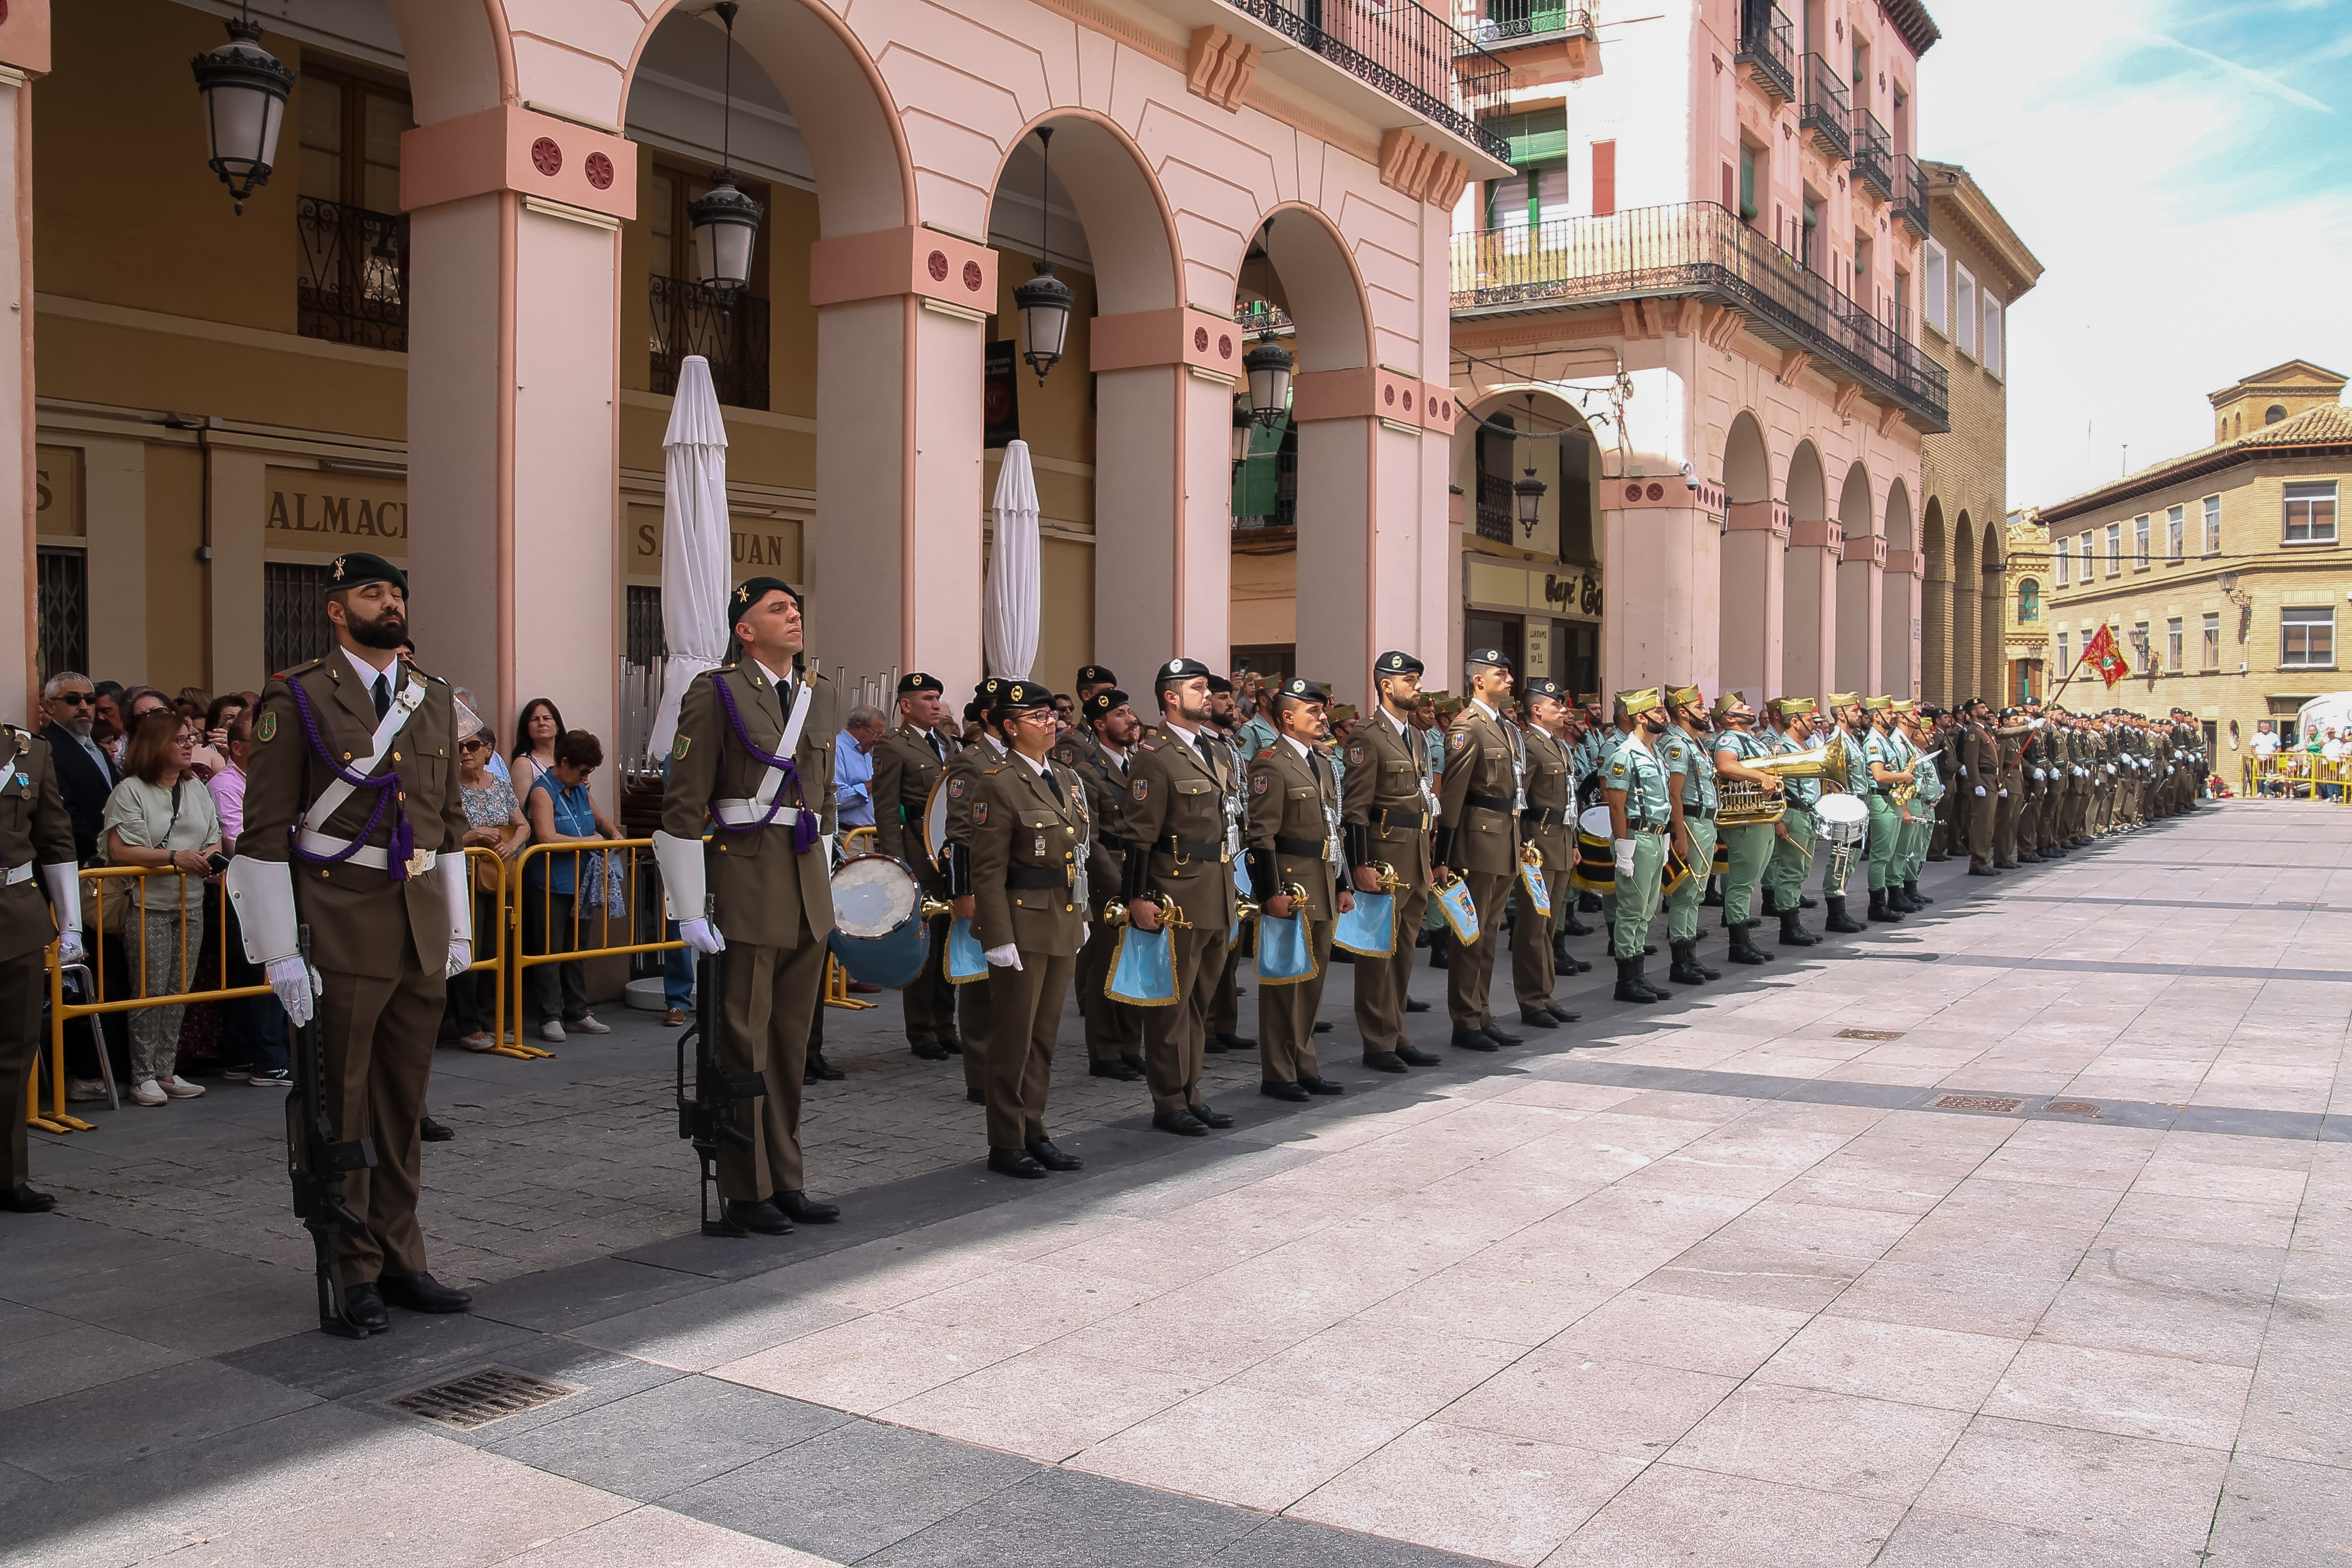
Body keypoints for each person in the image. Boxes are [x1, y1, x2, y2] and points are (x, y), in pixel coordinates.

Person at [228, 551, 475, 1331]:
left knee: (404, 1104)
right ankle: (352, 1264)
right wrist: (277, 949)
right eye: (372, 591)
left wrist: (459, 926)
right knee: (342, 1103)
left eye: (397, 590)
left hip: (418, 919)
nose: (390, 601)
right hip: (340, 922)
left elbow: (450, 825)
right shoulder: (297, 696)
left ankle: (403, 1255)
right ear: (336, 609)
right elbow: (264, 834)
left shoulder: (432, 697)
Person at [655, 576, 842, 1235]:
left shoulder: (821, 697)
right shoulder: (717, 692)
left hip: (804, 886)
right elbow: (681, 806)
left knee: (790, 1047)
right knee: (742, 1041)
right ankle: (746, 1184)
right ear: (745, 629)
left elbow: (822, 802)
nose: (794, 616)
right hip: (745, 881)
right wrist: (688, 908)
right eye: (777, 609)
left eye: (796, 607)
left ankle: (786, 1177)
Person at [968, 680, 1090, 1178]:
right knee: (1013, 1036)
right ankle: (1006, 1140)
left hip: (1061, 916)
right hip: (1021, 921)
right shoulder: (997, 782)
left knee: (1043, 1036)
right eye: (1037, 718)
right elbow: (988, 869)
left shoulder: (1067, 778)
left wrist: (1081, 914)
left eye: (1052, 716)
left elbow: (1077, 855)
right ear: (1010, 727)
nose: (1050, 723)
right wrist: (996, 935)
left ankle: (1034, 1129)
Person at [1119, 657, 1240, 1137]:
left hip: (1217, 886)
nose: (1207, 694)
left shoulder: (1215, 749)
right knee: (1172, 1002)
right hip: (1177, 889)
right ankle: (1169, 1100)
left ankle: (1192, 1091)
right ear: (1171, 697)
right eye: (1197, 687)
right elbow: (1138, 835)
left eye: (1207, 687)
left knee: (1199, 1002)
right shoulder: (1154, 754)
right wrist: (1138, 898)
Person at [102, 710, 226, 1106]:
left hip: (190, 902)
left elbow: (216, 837)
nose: (191, 744)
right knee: (149, 991)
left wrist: (208, 856)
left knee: (179, 990)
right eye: (181, 739)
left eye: (192, 738)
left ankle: (166, 1069)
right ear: (157, 745)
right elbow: (120, 849)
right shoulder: (130, 791)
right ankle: (142, 1076)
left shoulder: (196, 788)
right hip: (148, 904)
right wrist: (177, 858)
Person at [1246, 677, 1353, 1100]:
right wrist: (1271, 891)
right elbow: (1262, 836)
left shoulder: (1322, 762)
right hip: (1291, 886)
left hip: (1323, 881)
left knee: (1312, 982)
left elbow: (1334, 828)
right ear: (1288, 718)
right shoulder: (1271, 763)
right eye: (1313, 711)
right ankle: (1278, 1071)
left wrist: (1343, 883)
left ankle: (1304, 1062)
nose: (1323, 716)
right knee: (1284, 983)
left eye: (1322, 710)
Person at [1342, 651, 1442, 1072]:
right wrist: (1361, 863)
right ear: (1386, 685)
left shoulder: (1416, 737)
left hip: (1415, 853)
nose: (1419, 688)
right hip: (1383, 857)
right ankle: (1378, 1040)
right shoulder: (1367, 735)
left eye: (1418, 680)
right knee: (1377, 952)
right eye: (1411, 680)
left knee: (1403, 953)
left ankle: (1397, 1030)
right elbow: (1355, 809)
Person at [0, 712, 83, 1211]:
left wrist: (71, 924)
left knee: (14, 1050)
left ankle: (9, 1176)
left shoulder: (31, 752)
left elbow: (55, 840)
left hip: (17, 918)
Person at [1434, 649, 1523, 1052]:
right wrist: (1445, 854)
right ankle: (1465, 1020)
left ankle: (1483, 1012)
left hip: (1504, 836)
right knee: (1471, 934)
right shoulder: (1467, 727)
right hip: (1477, 839)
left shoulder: (1502, 725)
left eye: (1508, 672)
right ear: (1478, 680)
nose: (1508, 678)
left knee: (1490, 932)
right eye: (1499, 673)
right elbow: (1452, 796)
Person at [871, 673, 963, 1062]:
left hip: (950, 857)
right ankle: (921, 1031)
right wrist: (897, 864)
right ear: (906, 706)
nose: (936, 705)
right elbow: (888, 808)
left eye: (938, 698)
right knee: (923, 947)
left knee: (948, 945)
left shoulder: (948, 743)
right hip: (916, 854)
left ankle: (946, 1025)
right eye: (927, 698)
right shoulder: (894, 746)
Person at [1061, 688, 1144, 1080]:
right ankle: (1105, 1051)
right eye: (1121, 714)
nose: (1131, 719)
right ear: (1100, 724)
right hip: (1108, 876)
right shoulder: (1087, 772)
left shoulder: (1139, 764)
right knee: (1106, 966)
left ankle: (1131, 1045)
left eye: (1130, 712)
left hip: (1139, 872)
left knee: (1134, 962)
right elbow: (1088, 837)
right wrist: (1118, 886)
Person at [521, 729, 620, 1043]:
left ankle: (578, 1011)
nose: (586, 776)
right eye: (583, 770)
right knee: (549, 950)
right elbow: (546, 836)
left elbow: (599, 817)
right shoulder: (542, 791)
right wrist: (587, 841)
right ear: (564, 762)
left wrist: (615, 834)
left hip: (582, 881)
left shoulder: (578, 787)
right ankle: (550, 1015)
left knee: (577, 949)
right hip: (549, 882)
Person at [453, 711, 527, 1051]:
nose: (466, 753)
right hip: (465, 879)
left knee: (497, 947)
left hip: (500, 877)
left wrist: (512, 845)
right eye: (460, 748)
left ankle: (492, 1017)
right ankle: (468, 1023)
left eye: (473, 745)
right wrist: (472, 835)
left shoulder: (500, 786)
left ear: (489, 751)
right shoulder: (449, 790)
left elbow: (523, 824)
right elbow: (443, 834)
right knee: (471, 947)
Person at [1510, 679, 1580, 1030]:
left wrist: (1575, 843)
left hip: (1561, 840)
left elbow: (1567, 800)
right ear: (1536, 710)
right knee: (1532, 925)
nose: (1564, 710)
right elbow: (1520, 800)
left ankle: (1546, 994)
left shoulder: (1559, 745)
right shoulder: (1529, 745)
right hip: (1538, 841)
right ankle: (1531, 1000)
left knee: (1550, 924)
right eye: (1557, 705)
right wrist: (1523, 845)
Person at [1602, 688, 1674, 1003]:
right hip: (1638, 837)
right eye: (1659, 712)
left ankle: (1639, 974)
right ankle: (1625, 980)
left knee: (1647, 910)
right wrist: (1623, 848)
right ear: (1641, 718)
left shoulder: (1654, 753)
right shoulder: (1625, 754)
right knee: (1631, 910)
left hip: (1657, 836)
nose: (1665, 716)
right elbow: (1616, 806)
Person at [1658, 685, 1727, 983]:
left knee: (1696, 893)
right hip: (1690, 822)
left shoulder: (1695, 744)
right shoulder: (1677, 744)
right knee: (1685, 894)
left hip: (1705, 822)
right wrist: (1680, 834)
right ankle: (1680, 961)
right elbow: (1674, 793)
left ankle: (1690, 956)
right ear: (1683, 712)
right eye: (1700, 708)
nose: (1706, 713)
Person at [1711, 690, 1785, 961]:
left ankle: (1744, 940)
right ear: (1730, 718)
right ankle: (1738, 945)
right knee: (1742, 884)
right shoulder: (1730, 738)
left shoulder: (1747, 738)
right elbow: (1725, 766)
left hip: (1760, 817)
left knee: (1750, 882)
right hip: (1746, 820)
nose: (1751, 707)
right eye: (1742, 707)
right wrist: (1760, 777)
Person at [1758, 697, 1831, 945]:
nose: (1815, 725)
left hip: (1807, 813)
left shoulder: (1805, 747)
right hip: (1792, 813)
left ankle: (1793, 921)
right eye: (1810, 720)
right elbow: (1772, 788)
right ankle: (1789, 927)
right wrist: (1777, 819)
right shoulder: (1779, 748)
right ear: (1796, 722)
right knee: (1791, 870)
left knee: (1802, 869)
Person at [832, 705, 885, 829]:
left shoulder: (867, 755)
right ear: (858, 727)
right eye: (876, 734)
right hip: (847, 835)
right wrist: (871, 785)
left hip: (868, 834)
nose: (877, 740)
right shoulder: (837, 750)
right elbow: (835, 799)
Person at [510, 697, 564, 799]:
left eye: (547, 718)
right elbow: (521, 808)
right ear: (527, 729)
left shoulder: (567, 759)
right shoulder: (524, 763)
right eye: (535, 719)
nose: (542, 723)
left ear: (557, 727)